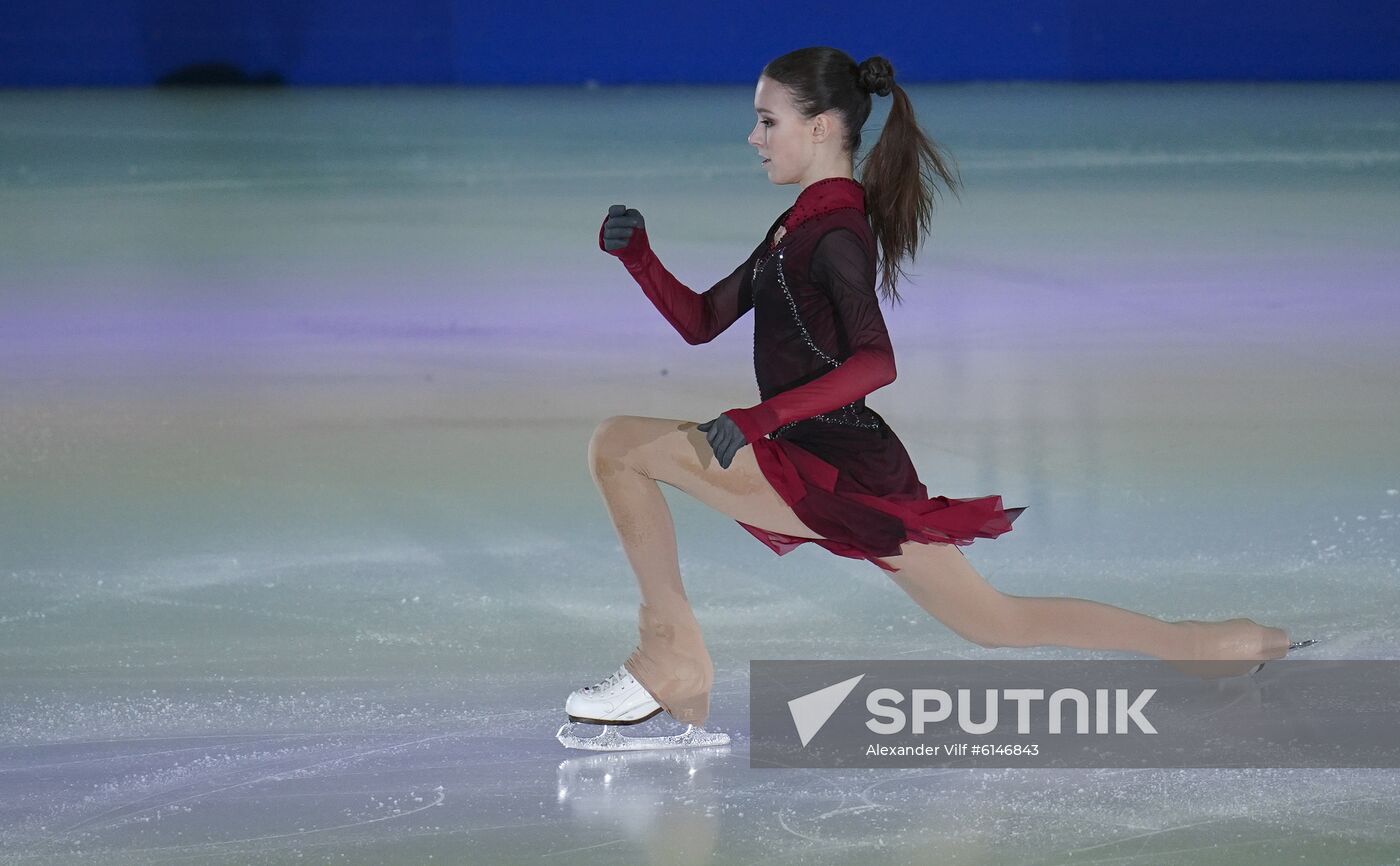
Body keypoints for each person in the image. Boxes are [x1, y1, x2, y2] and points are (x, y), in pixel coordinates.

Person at [558, 47, 1310, 751]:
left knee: (618, 445)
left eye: (766, 121)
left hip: (832, 462)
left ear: (819, 128)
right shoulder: (798, 225)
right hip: (830, 456)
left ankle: (670, 659)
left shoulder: (836, 234)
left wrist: (761, 418)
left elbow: (875, 362)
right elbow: (701, 321)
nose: (753, 138)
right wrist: (640, 258)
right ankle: (1215, 646)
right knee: (998, 623)